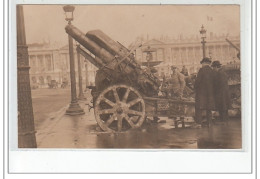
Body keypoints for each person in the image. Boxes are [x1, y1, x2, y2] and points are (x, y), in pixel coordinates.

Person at [194, 57, 215, 127]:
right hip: (210, 93)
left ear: (204, 63)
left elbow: (197, 81)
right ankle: (209, 123)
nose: (202, 65)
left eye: (202, 63)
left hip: (201, 93)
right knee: (209, 108)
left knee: (199, 107)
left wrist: (195, 87)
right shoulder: (212, 71)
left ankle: (199, 123)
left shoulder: (201, 70)